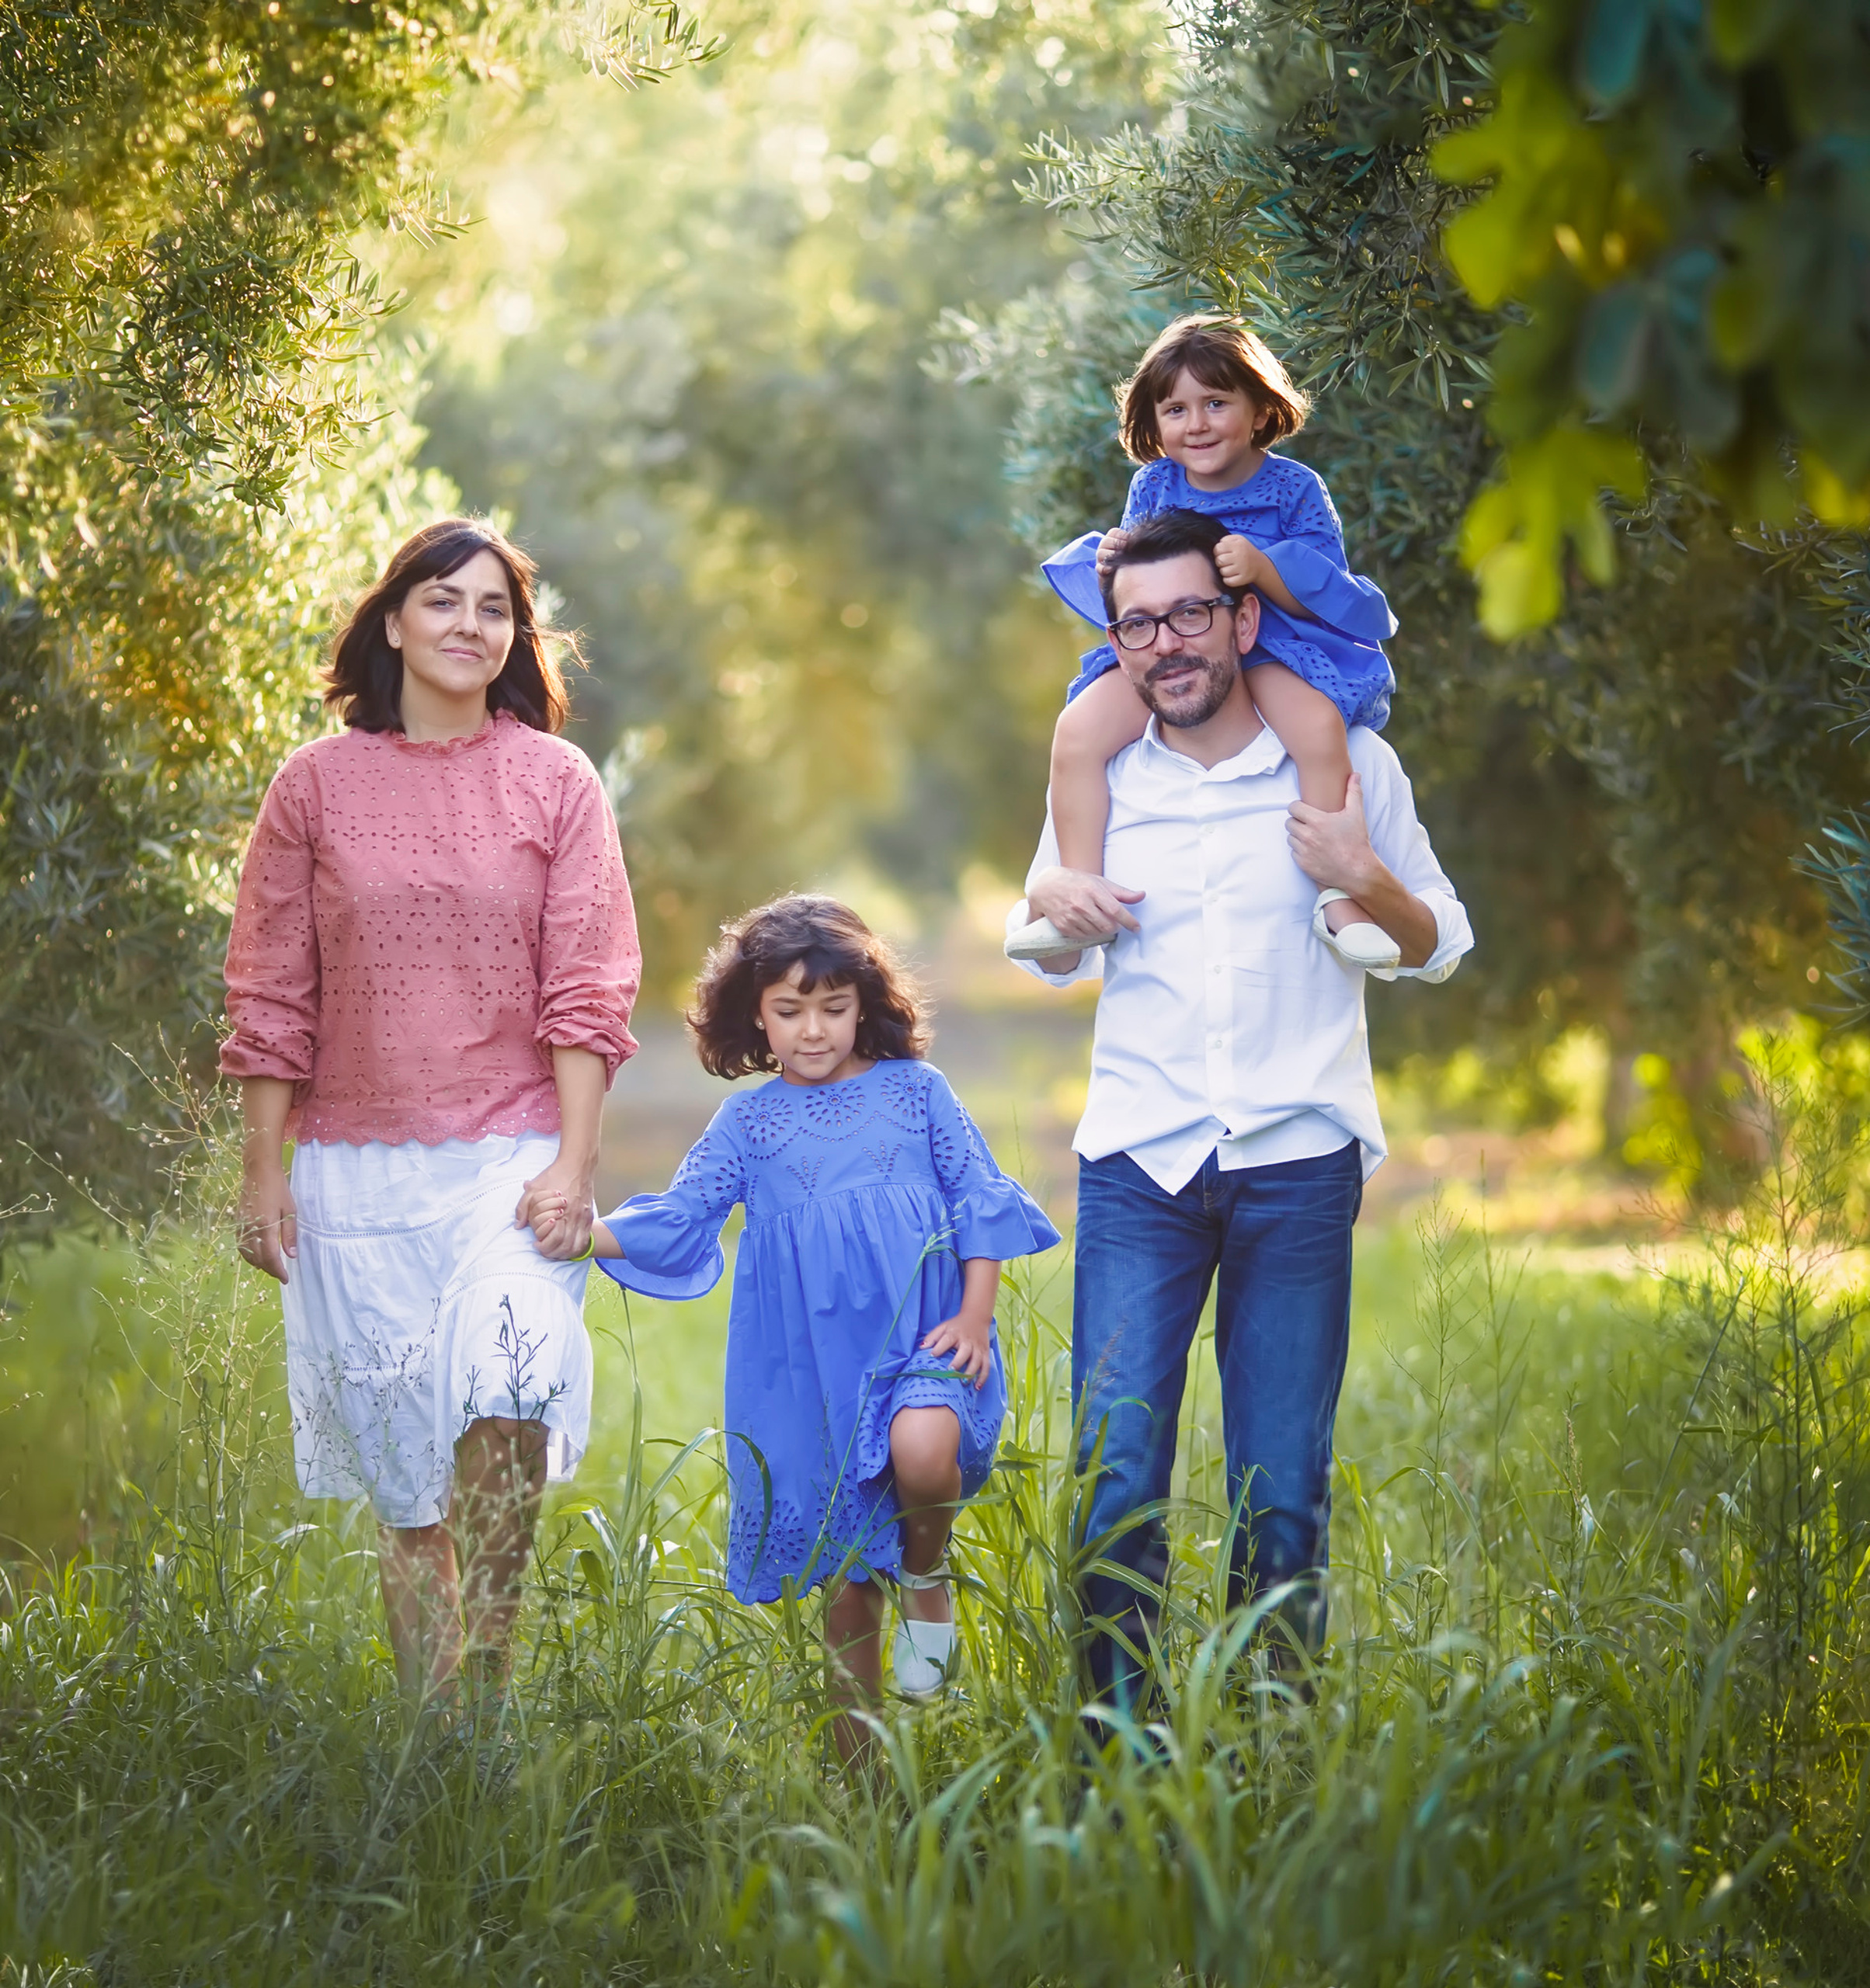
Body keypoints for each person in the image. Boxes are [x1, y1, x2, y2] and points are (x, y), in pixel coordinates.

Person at [1009, 506, 1471, 1715]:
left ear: (1243, 618)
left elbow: (1439, 941)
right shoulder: (1101, 771)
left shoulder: (1350, 768)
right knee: (1113, 1479)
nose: (1166, 644)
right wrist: (1061, 896)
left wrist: (1365, 878)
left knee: (1283, 1492)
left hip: (1299, 1167)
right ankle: (1121, 1751)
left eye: (1189, 616)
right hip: (1139, 1170)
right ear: (1117, 644)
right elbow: (1043, 934)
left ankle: (1269, 1747)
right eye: (1137, 626)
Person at [224, 516, 641, 1706]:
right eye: (445, 601)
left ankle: (491, 1683)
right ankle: (432, 1735)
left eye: (495, 608)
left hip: (511, 1158)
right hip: (355, 1170)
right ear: (394, 620)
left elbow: (588, 981)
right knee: (410, 1486)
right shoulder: (313, 787)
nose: (471, 626)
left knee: (511, 1398)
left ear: (518, 635)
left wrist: (574, 1163)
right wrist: (263, 1173)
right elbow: (269, 990)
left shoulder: (555, 780)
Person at [525, 896, 1057, 1757]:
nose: (814, 1030)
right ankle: (864, 1790)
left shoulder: (916, 1093)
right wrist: (590, 1232)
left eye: (834, 1007)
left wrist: (974, 1313)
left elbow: (980, 1199)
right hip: (813, 1377)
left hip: (927, 1338)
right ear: (755, 1016)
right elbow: (687, 1212)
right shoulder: (750, 1122)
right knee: (846, 1586)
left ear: (866, 1004)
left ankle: (926, 1570)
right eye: (790, 1009)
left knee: (925, 1452)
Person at [1006, 314, 1402, 972]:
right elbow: (1139, 576)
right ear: (1153, 422)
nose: (1196, 424)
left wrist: (1262, 568)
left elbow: (1327, 584)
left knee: (1318, 727)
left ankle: (1341, 900)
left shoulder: (1294, 487)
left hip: (1271, 641)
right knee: (1078, 730)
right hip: (1177, 645)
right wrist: (1114, 558)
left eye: (1216, 403)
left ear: (1257, 407)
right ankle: (1077, 894)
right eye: (1176, 409)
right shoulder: (1154, 485)